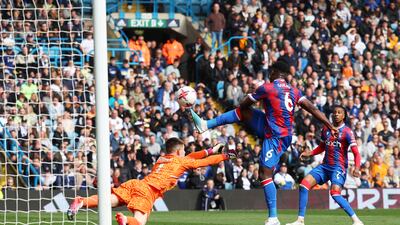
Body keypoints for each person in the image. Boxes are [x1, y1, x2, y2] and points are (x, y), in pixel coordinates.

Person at [190, 60, 336, 225]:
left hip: (276, 137)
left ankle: (273, 217)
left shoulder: (267, 87)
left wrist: (255, 95)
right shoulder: (294, 91)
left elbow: (243, 104)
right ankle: (206, 124)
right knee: (244, 114)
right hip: (274, 128)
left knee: (265, 174)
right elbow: (314, 109)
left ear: (274, 72)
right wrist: (330, 125)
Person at [67, 138, 237, 225]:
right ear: (178, 152)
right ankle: (126, 221)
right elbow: (201, 162)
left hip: (136, 183)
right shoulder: (182, 161)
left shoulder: (162, 159)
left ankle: (81, 201)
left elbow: (193, 156)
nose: (186, 154)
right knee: (139, 222)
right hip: (148, 191)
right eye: (183, 151)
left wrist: (210, 150)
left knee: (108, 202)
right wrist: (225, 156)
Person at [286, 106, 363, 225]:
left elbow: (356, 153)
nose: (336, 114)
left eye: (339, 113)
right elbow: (323, 146)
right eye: (334, 112)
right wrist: (310, 153)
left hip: (338, 167)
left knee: (335, 193)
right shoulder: (326, 129)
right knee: (303, 185)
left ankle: (357, 221)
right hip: (325, 166)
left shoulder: (347, 132)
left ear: (344, 116)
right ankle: (300, 220)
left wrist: (357, 168)